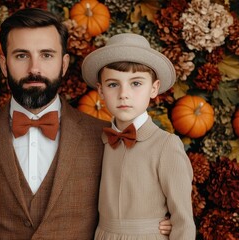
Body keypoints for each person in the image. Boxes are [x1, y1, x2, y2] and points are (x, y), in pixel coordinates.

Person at [0, 8, 172, 239]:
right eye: (22, 55)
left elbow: (136, 188)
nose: (34, 68)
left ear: (64, 64)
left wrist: (158, 222)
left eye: (47, 55)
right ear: (4, 65)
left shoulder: (105, 136)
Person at [82, 33, 195, 239]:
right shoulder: (99, 140)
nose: (124, 94)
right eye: (113, 84)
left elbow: (184, 221)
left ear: (154, 88)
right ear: (100, 91)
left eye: (136, 83)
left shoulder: (166, 145)